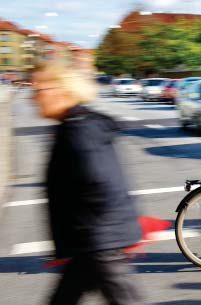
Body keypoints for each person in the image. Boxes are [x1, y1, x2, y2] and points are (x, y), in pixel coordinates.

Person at [32, 60, 144, 305]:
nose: (34, 98)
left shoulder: (79, 129)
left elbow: (98, 180)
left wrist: (91, 236)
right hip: (92, 242)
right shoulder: (75, 125)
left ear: (62, 91)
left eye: (39, 90)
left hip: (99, 241)